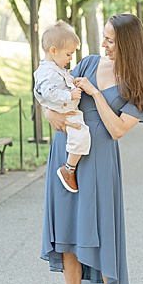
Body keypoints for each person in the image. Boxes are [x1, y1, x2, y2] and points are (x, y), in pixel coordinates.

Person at [41, 14, 143, 284]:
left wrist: (95, 94)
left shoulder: (139, 82)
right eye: (104, 37)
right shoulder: (88, 63)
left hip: (100, 160)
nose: (102, 44)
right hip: (66, 153)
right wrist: (48, 111)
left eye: (110, 40)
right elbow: (55, 89)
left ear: (127, 44)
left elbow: (118, 129)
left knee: (102, 233)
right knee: (67, 233)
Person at [33, 21, 90, 194]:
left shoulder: (55, 68)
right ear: (53, 51)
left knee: (81, 135)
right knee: (81, 135)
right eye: (68, 54)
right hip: (65, 111)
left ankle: (70, 166)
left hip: (68, 110)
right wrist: (69, 95)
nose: (70, 58)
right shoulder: (47, 72)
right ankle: (69, 169)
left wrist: (70, 77)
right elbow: (48, 93)